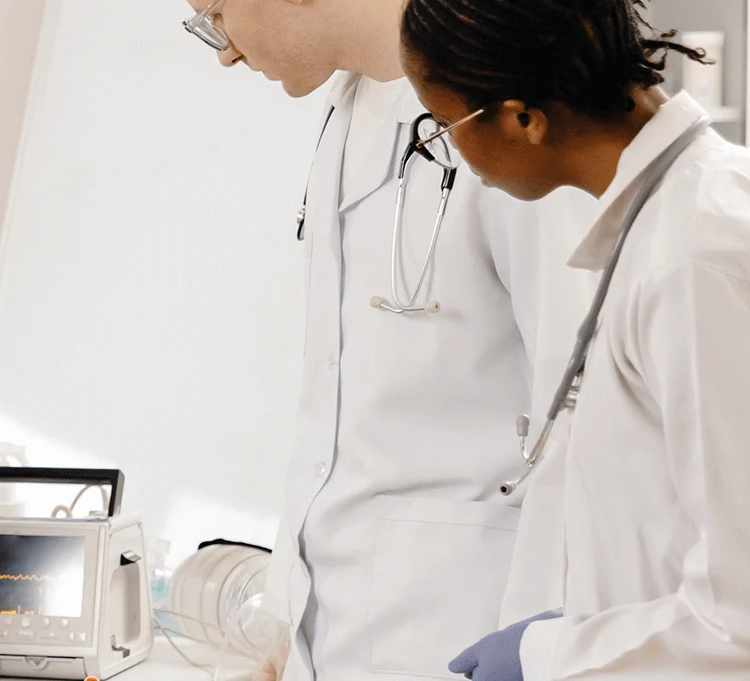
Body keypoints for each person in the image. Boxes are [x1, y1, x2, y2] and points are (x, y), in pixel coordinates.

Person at [393, 1, 750, 679]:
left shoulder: (699, 257)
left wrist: (550, 656)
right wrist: (591, 623)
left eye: (444, 125)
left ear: (523, 118)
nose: (452, 151)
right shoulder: (723, 201)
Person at [178, 1, 594, 677]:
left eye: (214, 15)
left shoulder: (506, 102)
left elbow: (586, 403)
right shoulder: (347, 110)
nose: (225, 51)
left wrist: (544, 645)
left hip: (468, 632)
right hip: (336, 638)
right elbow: (332, 415)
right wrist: (289, 622)